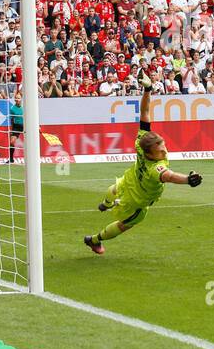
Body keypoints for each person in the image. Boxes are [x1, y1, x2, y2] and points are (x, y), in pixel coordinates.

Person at [83, 74, 202, 255]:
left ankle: (106, 204)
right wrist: (187, 179)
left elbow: (145, 112)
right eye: (159, 147)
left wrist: (147, 90)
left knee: (115, 188)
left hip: (130, 180)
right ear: (149, 153)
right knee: (127, 224)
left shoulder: (141, 142)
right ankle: (94, 240)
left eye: (162, 143)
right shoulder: (155, 168)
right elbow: (168, 176)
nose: (164, 149)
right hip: (139, 199)